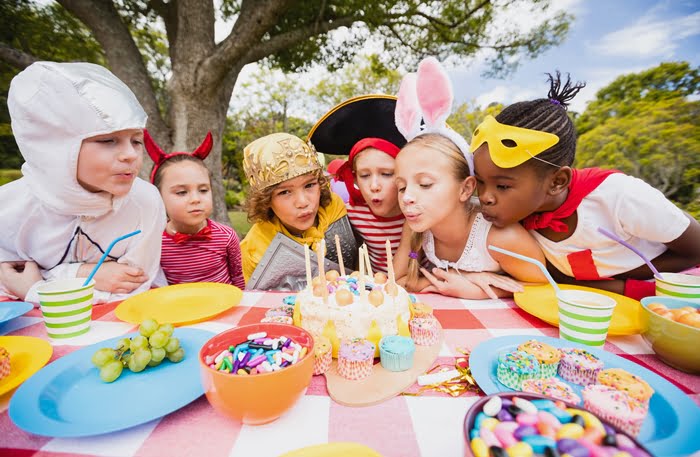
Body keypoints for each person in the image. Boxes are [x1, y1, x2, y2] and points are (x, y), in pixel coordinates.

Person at [469, 71, 700, 300]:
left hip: (672, 299)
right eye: (480, 181)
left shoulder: (619, 197)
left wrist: (616, 282)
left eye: (502, 186)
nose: (485, 197)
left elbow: (697, 249)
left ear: (557, 182)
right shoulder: (515, 217)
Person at [0, 61, 166, 303]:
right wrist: (87, 275)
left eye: (136, 140)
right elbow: (7, 286)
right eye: (108, 140)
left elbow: (129, 286)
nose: (130, 154)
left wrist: (38, 286)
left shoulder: (145, 201)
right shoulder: (8, 208)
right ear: (56, 146)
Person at [392, 57, 547, 299]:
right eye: (401, 187)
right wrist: (464, 279)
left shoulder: (501, 238)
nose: (408, 198)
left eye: (425, 184)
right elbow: (397, 281)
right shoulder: (415, 227)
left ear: (465, 189)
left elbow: (545, 285)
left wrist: (480, 290)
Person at [239, 132, 356, 290]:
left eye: (309, 185)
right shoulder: (255, 247)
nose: (303, 202)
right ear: (266, 201)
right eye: (284, 192)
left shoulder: (333, 207)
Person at [309, 95, 407, 274]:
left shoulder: (415, 213)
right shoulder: (352, 215)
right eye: (365, 175)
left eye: (386, 174)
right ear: (354, 179)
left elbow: (419, 254)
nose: (374, 185)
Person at [147, 130, 245, 288]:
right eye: (181, 192)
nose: (196, 199)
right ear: (158, 197)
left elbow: (238, 276)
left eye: (203, 190)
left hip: (225, 308)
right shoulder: (153, 242)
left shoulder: (226, 236)